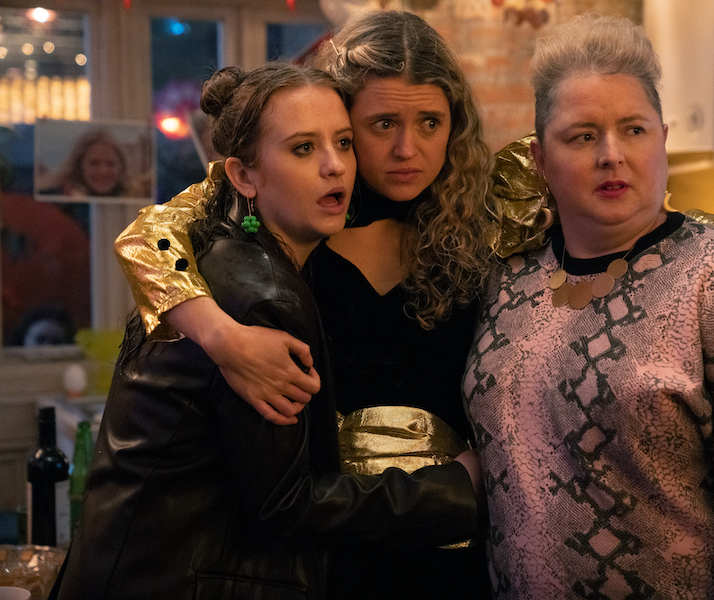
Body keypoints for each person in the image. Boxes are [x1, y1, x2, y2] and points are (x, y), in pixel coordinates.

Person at [113, 10, 714, 599]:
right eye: (380, 125)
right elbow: (149, 235)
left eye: (430, 122)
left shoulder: (490, 214)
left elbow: (637, 209)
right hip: (311, 553)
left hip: (458, 553)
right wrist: (219, 334)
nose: (407, 149)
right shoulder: (287, 213)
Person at [50, 62, 485, 600]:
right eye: (303, 148)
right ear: (242, 176)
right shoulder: (263, 296)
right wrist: (455, 488)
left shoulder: (225, 255)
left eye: (343, 143)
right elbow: (286, 502)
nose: (335, 166)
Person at [462, 14, 714, 599]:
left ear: (662, 138)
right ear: (539, 158)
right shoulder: (507, 279)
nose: (611, 155)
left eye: (633, 130)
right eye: (583, 136)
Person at [40, 128, 131, 198]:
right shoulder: (53, 199)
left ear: (122, 167)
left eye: (111, 164)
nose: (103, 171)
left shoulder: (133, 201)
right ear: (79, 166)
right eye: (94, 163)